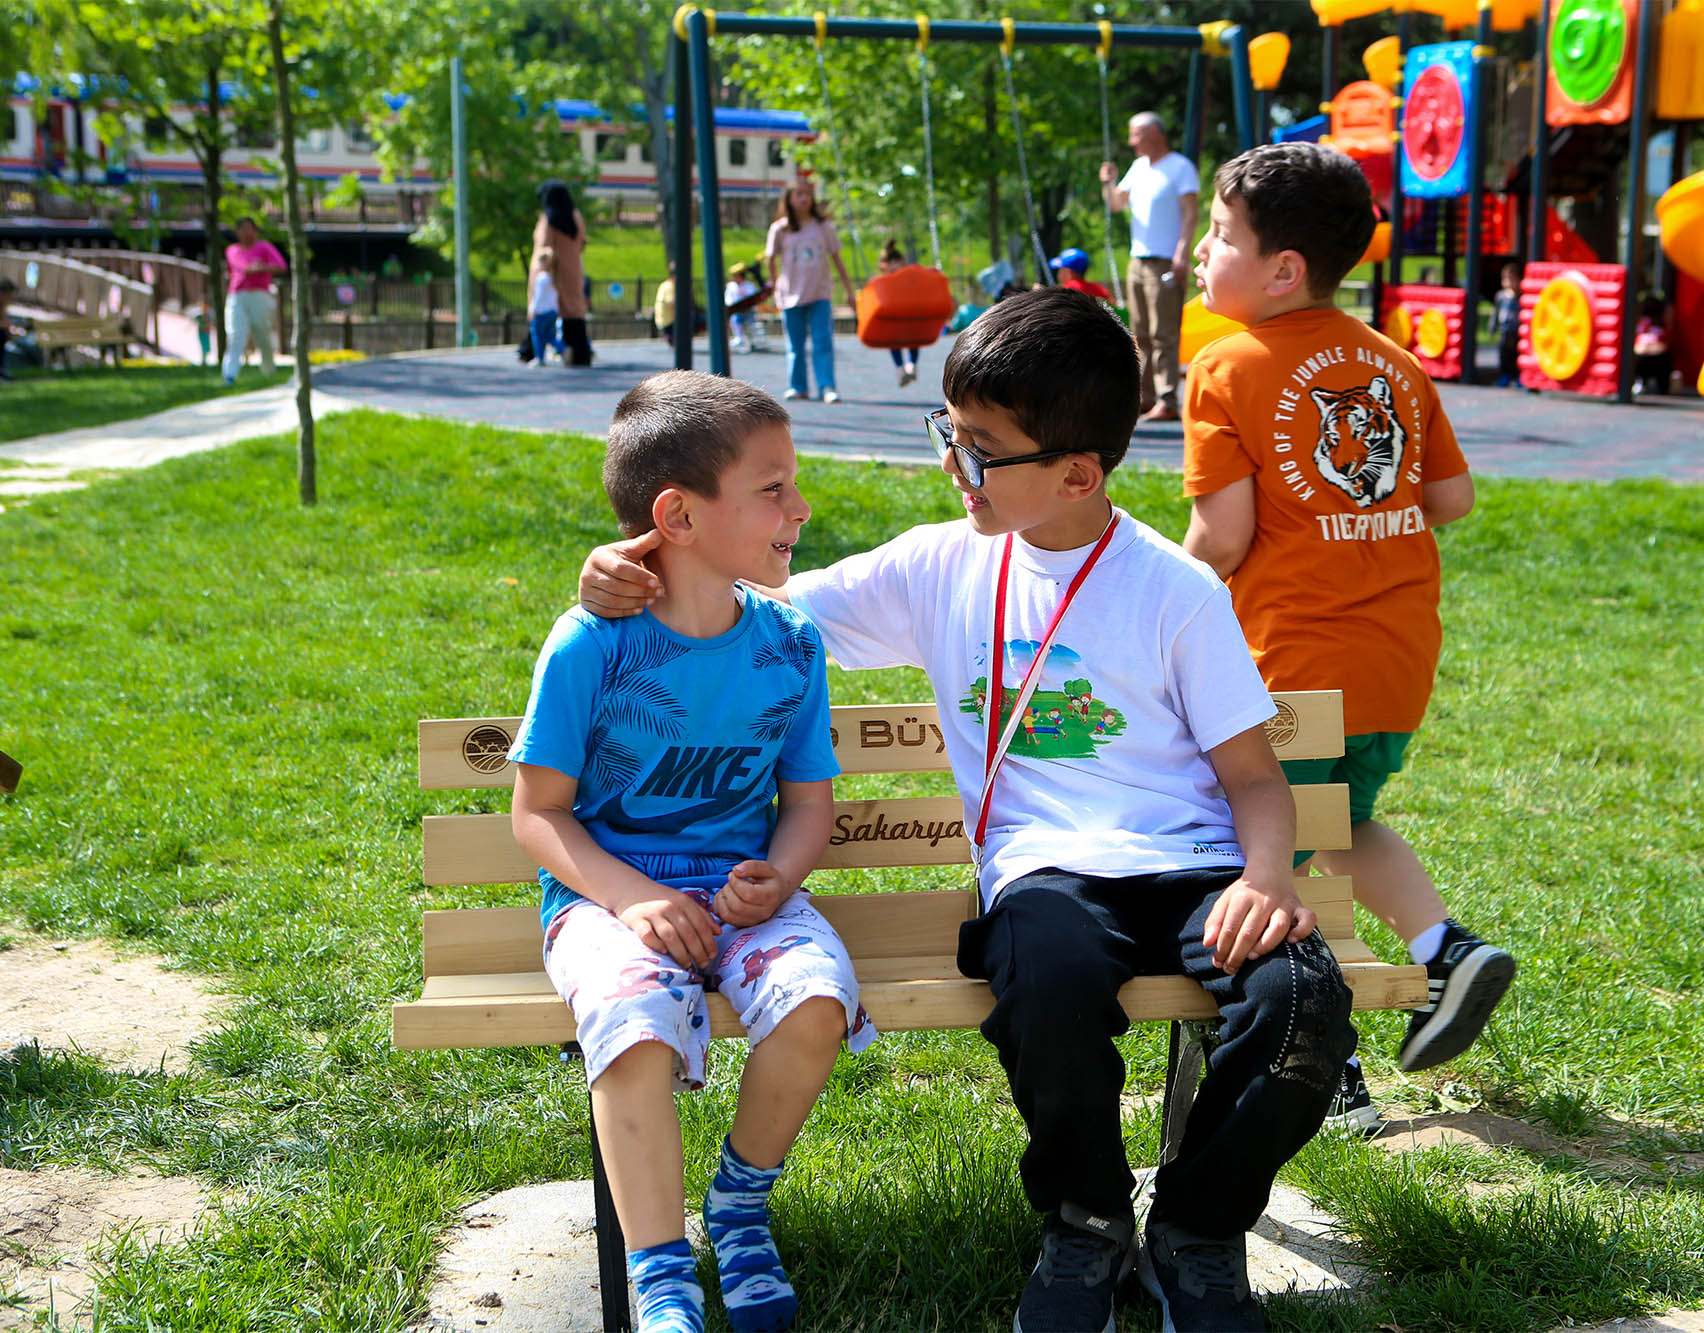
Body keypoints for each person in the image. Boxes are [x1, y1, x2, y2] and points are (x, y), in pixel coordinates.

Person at [576, 289, 1357, 1333]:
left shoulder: (1173, 592)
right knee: (1043, 981)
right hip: (1045, 875)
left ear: (1077, 474)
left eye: (982, 448)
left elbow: (1256, 779)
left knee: (1302, 1004)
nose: (954, 464)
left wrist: (1264, 879)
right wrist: (623, 567)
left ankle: (1194, 1230)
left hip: (1196, 871)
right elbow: (744, 601)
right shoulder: (936, 565)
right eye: (949, 431)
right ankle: (1083, 1219)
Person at [509, 370, 876, 1333]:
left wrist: (781, 876)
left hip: (741, 899)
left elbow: (808, 801)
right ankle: (658, 1263)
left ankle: (741, 1204)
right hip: (604, 900)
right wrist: (631, 899)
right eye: (773, 488)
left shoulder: (790, 644)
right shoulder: (592, 645)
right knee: (631, 1023)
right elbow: (539, 814)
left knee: (817, 1002)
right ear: (678, 514)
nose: (801, 507)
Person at [1180, 142, 1515, 1134]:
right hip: (1393, 658)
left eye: (1219, 234)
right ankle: (1441, 948)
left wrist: (1152, 595)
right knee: (1336, 820)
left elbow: (1222, 537)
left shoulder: (1225, 367)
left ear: (1281, 268)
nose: (1202, 251)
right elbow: (1448, 497)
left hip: (1288, 662)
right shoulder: (1392, 361)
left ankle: (1324, 1064)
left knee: (1263, 846)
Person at [1100, 111, 1200, 422]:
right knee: (1140, 333)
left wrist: (1182, 254)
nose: (1131, 142)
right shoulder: (1139, 167)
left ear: (1154, 134)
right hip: (1138, 259)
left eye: (1136, 135)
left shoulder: (1180, 168)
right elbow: (1117, 204)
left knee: (1164, 333)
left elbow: (1190, 214)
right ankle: (1146, 396)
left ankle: (1168, 400)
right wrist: (1109, 183)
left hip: (1165, 260)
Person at [764, 179, 857, 403]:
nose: (804, 198)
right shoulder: (780, 229)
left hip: (819, 293)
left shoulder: (823, 227)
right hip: (790, 295)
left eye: (807, 194)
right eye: (799, 194)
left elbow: (837, 258)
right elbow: (770, 259)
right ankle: (798, 386)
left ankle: (827, 386)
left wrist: (848, 290)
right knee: (795, 344)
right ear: (789, 198)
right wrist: (775, 285)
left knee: (822, 341)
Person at [529, 180, 591, 367]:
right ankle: (580, 352)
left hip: (552, 273)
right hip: (572, 270)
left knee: (541, 315)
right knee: (573, 312)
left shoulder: (549, 218)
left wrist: (539, 270)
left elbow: (542, 246)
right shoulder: (575, 217)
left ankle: (531, 350)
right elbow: (582, 242)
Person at [221, 216, 286, 385]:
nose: (247, 232)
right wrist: (257, 267)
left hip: (260, 294)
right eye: (242, 228)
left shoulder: (264, 247)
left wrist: (261, 267)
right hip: (237, 295)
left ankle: (268, 370)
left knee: (262, 332)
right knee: (235, 334)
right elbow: (244, 267)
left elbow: (281, 265)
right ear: (237, 232)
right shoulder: (233, 250)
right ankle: (230, 374)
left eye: (250, 228)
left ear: (256, 231)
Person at [874, 237, 921, 387]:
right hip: (905, 315)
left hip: (896, 316)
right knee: (911, 340)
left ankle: (902, 368)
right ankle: (910, 365)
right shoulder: (905, 278)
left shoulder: (884, 279)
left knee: (896, 342)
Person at [527, 246, 566, 367]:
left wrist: (533, 310)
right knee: (549, 336)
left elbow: (538, 297)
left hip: (542, 312)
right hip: (552, 311)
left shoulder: (542, 278)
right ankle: (563, 348)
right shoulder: (553, 278)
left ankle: (539, 358)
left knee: (538, 335)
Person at [1491, 262, 1523, 388]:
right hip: (1505, 330)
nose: (1508, 282)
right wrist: (1493, 327)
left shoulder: (1521, 296)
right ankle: (1505, 375)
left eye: (1512, 279)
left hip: (1517, 330)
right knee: (1504, 354)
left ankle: (1518, 377)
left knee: (1517, 354)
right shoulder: (1500, 296)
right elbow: (1496, 312)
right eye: (1506, 279)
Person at [1633, 294, 1672, 396]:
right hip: (1658, 358)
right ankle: (1661, 387)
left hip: (1640, 358)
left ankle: (1640, 382)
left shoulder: (1641, 323)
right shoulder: (1662, 324)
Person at [725, 261, 766, 353]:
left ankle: (755, 342)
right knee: (735, 319)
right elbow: (728, 299)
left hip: (748, 311)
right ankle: (739, 338)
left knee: (752, 323)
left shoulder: (748, 285)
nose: (734, 278)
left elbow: (752, 298)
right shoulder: (731, 286)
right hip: (736, 310)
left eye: (736, 276)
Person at [1050, 247, 1114, 302]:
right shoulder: (1099, 289)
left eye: (1060, 269)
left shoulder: (1068, 289)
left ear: (1068, 272)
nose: (1058, 272)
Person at [188, 302, 213, 367]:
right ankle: (203, 361)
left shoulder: (209, 316)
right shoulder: (199, 316)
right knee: (203, 347)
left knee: (207, 348)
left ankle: (204, 360)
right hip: (201, 333)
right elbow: (192, 320)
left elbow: (210, 324)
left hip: (207, 333)